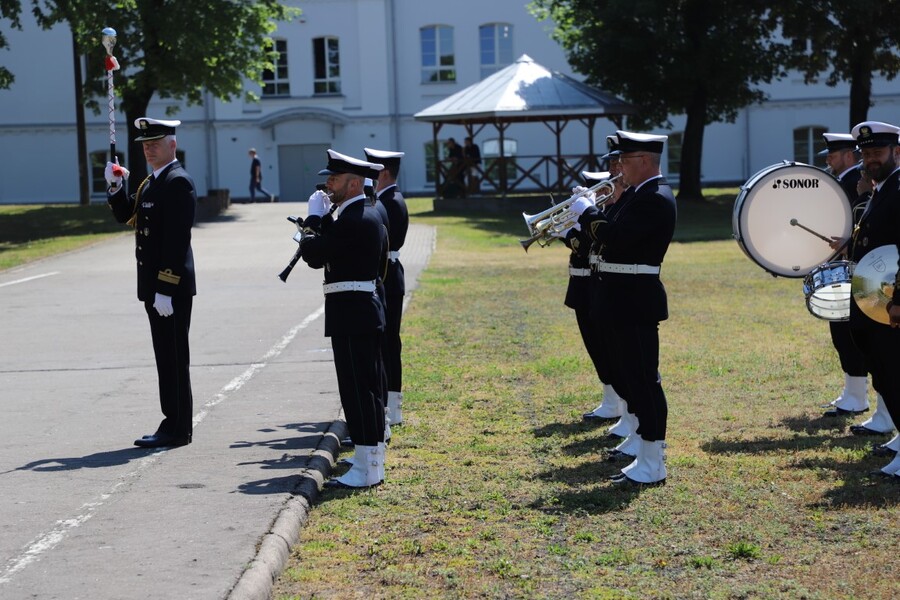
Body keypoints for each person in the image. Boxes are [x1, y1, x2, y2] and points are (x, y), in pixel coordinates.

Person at [570, 130, 676, 485]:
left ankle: (653, 461)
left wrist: (587, 213)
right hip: (620, 299)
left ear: (643, 160)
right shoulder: (635, 195)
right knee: (631, 378)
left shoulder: (655, 198)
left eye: (624, 161)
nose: (618, 168)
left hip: (635, 300)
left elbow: (615, 238)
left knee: (644, 382)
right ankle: (644, 454)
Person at [106, 117, 197, 448]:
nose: (148, 149)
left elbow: (176, 241)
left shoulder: (177, 182)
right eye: (145, 145)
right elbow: (126, 215)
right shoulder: (151, 182)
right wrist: (116, 188)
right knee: (165, 357)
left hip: (168, 289)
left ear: (172, 145)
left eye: (155, 144)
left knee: (174, 358)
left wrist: (165, 288)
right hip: (155, 289)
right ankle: (172, 423)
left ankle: (178, 428)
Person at [300, 149, 388, 488]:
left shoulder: (354, 219)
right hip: (357, 309)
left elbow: (313, 253)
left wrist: (313, 219)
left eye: (334, 179)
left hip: (352, 311)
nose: (328, 185)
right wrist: (325, 220)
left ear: (353, 184)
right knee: (365, 388)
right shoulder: (360, 214)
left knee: (357, 389)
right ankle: (370, 459)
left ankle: (367, 467)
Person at [846, 120, 900, 479]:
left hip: (892, 305)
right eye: (866, 154)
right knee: (885, 373)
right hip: (876, 301)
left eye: (877, 152)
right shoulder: (883, 188)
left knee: (895, 373)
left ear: (897, 151)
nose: (870, 159)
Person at [817, 133, 872, 418]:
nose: (828, 158)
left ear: (849, 156)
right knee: (841, 333)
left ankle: (857, 396)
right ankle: (852, 393)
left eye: (833, 154)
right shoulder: (845, 182)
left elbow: (860, 223)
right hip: (845, 264)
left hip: (851, 266)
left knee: (847, 334)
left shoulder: (853, 183)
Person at [365, 148, 409, 427]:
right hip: (390, 275)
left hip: (387, 277)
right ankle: (391, 407)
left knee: (387, 345)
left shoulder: (389, 201)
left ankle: (390, 409)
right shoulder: (389, 199)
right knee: (388, 344)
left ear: (382, 172)